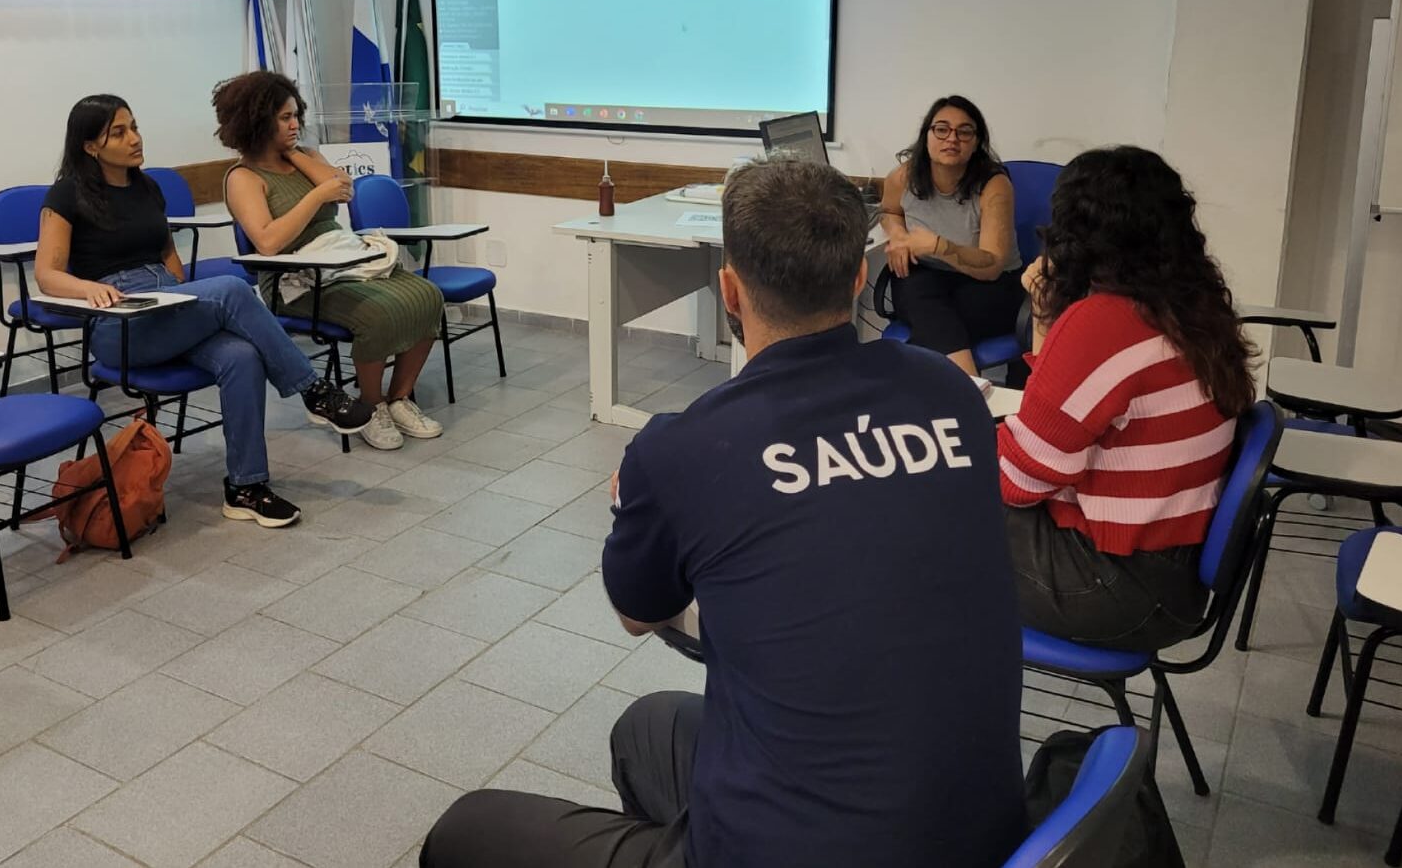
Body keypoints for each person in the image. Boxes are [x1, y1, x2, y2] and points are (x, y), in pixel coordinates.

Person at [420, 159, 1026, 868]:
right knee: (646, 727)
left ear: (729, 291)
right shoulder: (949, 392)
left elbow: (637, 612)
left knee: (463, 831)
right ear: (859, 278)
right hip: (978, 835)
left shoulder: (682, 447)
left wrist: (645, 497)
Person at [34, 94, 374, 529]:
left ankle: (246, 488)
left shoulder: (147, 187)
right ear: (89, 146)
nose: (135, 139)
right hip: (119, 322)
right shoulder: (68, 194)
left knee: (242, 357)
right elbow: (47, 274)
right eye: (118, 133)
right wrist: (88, 288)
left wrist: (180, 296)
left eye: (135, 126)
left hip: (165, 300)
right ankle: (313, 390)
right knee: (233, 288)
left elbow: (168, 255)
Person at [1000, 145, 1259, 653]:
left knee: (927, 503)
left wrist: (1046, 317)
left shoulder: (1102, 321)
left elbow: (1020, 481)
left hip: (1115, 585)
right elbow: (1062, 422)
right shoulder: (1192, 304)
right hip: (1171, 573)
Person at [215, 71, 445, 451]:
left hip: (342, 262)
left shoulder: (304, 157)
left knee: (428, 296)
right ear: (256, 122)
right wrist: (315, 194)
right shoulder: (243, 177)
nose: (294, 125)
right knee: (379, 313)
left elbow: (343, 191)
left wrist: (294, 155)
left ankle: (399, 397)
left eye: (295, 116)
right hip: (295, 280)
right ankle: (370, 406)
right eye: (284, 119)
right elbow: (269, 242)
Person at [878, 94, 1026, 381]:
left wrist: (938, 245)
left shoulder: (994, 185)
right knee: (913, 284)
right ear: (927, 135)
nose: (952, 139)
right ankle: (970, 390)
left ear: (976, 142)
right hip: (930, 277)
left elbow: (993, 265)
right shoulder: (904, 176)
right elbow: (889, 211)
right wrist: (897, 236)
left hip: (990, 284)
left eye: (964, 131)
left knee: (930, 314)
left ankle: (961, 390)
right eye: (942, 129)